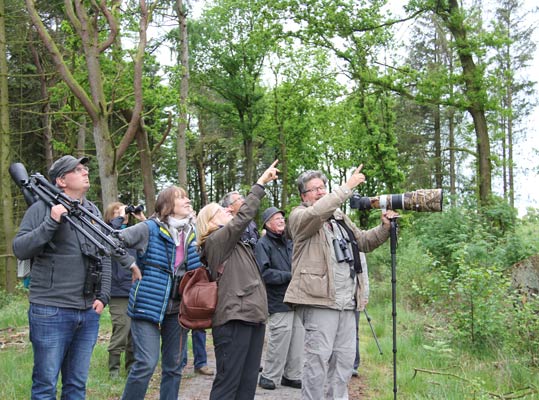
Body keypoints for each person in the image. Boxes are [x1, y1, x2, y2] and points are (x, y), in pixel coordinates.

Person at [284, 165, 398, 400]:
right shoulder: (299, 217)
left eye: (323, 187)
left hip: (347, 302)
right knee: (317, 361)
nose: (320, 192)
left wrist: (384, 228)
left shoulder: (339, 218)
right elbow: (317, 213)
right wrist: (347, 187)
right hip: (319, 301)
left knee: (344, 362)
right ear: (303, 196)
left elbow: (363, 241)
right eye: (314, 189)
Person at [12, 155, 111, 399]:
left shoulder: (91, 211)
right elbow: (20, 249)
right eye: (77, 170)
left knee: (76, 386)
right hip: (51, 310)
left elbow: (105, 253)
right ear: (61, 180)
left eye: (84, 168)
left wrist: (104, 296)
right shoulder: (41, 208)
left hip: (87, 312)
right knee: (45, 386)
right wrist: (52, 221)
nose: (85, 172)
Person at [196, 160, 279, 399]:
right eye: (221, 211)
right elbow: (242, 217)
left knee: (247, 384)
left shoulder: (239, 243)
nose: (228, 212)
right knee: (228, 384)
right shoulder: (215, 241)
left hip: (252, 315)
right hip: (234, 317)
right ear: (210, 223)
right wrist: (260, 184)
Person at [112, 186, 195, 400]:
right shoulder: (148, 228)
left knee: (174, 366)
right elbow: (113, 241)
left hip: (177, 309)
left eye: (187, 197)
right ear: (167, 205)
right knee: (146, 364)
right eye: (181, 198)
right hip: (147, 305)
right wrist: (131, 264)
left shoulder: (191, 232)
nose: (187, 201)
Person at [255, 207, 304, 391]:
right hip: (277, 300)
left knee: (298, 338)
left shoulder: (290, 241)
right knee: (280, 338)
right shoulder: (263, 244)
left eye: (282, 218)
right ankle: (269, 376)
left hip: (296, 299)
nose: (282, 220)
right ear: (267, 224)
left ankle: (291, 376)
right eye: (276, 218)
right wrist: (288, 276)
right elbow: (263, 273)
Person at [103, 202, 146, 379]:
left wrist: (142, 219)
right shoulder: (106, 231)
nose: (123, 214)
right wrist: (119, 219)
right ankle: (113, 370)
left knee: (134, 332)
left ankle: (131, 368)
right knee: (122, 328)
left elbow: (151, 238)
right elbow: (107, 240)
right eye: (117, 212)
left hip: (135, 288)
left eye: (124, 212)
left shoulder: (133, 233)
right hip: (117, 290)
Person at [352, 252, 368, 378]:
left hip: (354, 296)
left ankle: (354, 364)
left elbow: (363, 273)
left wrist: (365, 295)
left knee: (354, 330)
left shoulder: (358, 247)